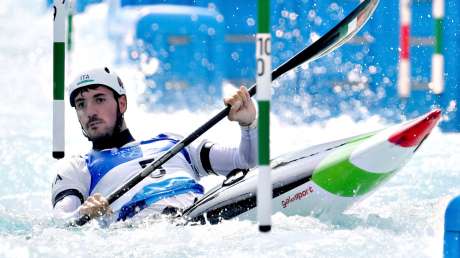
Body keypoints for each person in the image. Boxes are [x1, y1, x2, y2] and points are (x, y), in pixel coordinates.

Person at [51, 67, 257, 224]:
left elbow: (247, 161)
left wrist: (248, 124)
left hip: (204, 216)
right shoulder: (79, 167)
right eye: (81, 104)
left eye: (99, 99)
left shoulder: (174, 142)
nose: (90, 112)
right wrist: (83, 213)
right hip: (147, 233)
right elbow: (61, 220)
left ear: (121, 103)